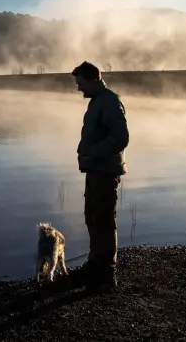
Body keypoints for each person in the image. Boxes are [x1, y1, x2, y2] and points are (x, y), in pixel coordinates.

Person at [69, 61, 129, 293]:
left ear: (94, 79)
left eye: (81, 83)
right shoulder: (98, 102)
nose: (78, 89)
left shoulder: (110, 102)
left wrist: (92, 153)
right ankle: (95, 266)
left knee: (103, 221)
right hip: (96, 170)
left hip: (105, 172)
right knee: (92, 218)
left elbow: (120, 138)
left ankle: (106, 276)